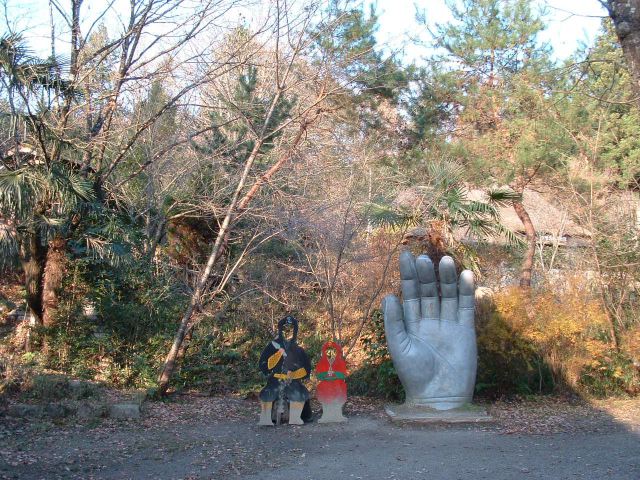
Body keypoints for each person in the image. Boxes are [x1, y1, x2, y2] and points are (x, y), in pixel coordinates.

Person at [258, 315, 312, 425]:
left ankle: (295, 418)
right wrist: (278, 353)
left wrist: (293, 374)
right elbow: (265, 365)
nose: (288, 332)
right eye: (285, 329)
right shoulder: (272, 347)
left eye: (291, 329)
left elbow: (305, 368)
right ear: (281, 330)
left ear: (295, 331)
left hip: (292, 381)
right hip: (275, 380)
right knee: (267, 393)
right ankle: (265, 419)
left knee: (298, 394)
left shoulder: (298, 349)